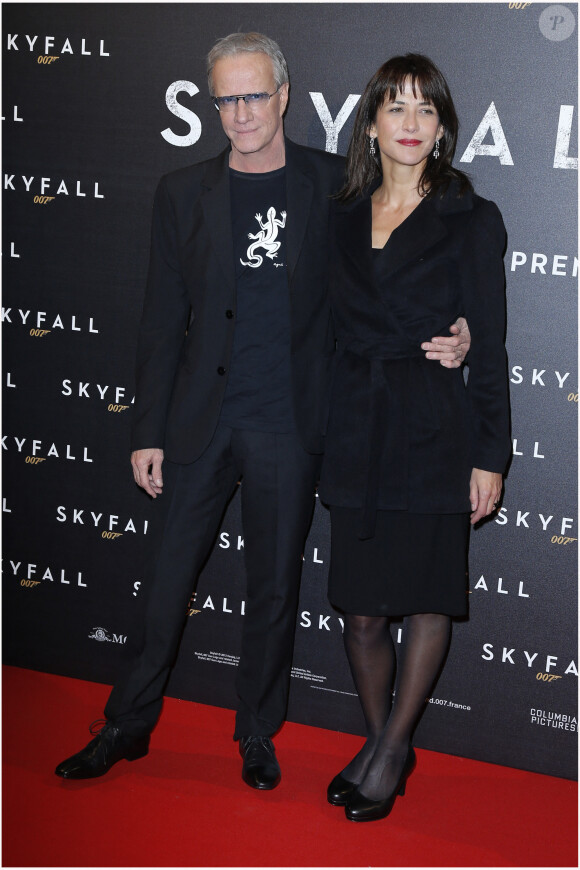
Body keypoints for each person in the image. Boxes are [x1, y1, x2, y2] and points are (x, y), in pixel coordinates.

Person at [55, 35, 470, 790]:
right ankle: (126, 724)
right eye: (226, 99)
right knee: (166, 580)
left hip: (290, 423)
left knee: (274, 588)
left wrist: (459, 329)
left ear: (282, 96)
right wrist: (145, 431)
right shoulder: (182, 191)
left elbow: (392, 268)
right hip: (197, 423)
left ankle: (256, 732)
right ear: (213, 104)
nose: (241, 113)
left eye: (254, 95)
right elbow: (159, 320)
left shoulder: (334, 187)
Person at [318, 53, 510, 821]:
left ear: (441, 129)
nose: (409, 123)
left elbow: (488, 344)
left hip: (434, 426)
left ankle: (391, 752)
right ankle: (380, 740)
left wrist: (489, 454)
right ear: (370, 122)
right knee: (362, 612)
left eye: (424, 110)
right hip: (355, 429)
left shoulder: (472, 217)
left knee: (427, 600)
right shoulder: (337, 213)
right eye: (394, 107)